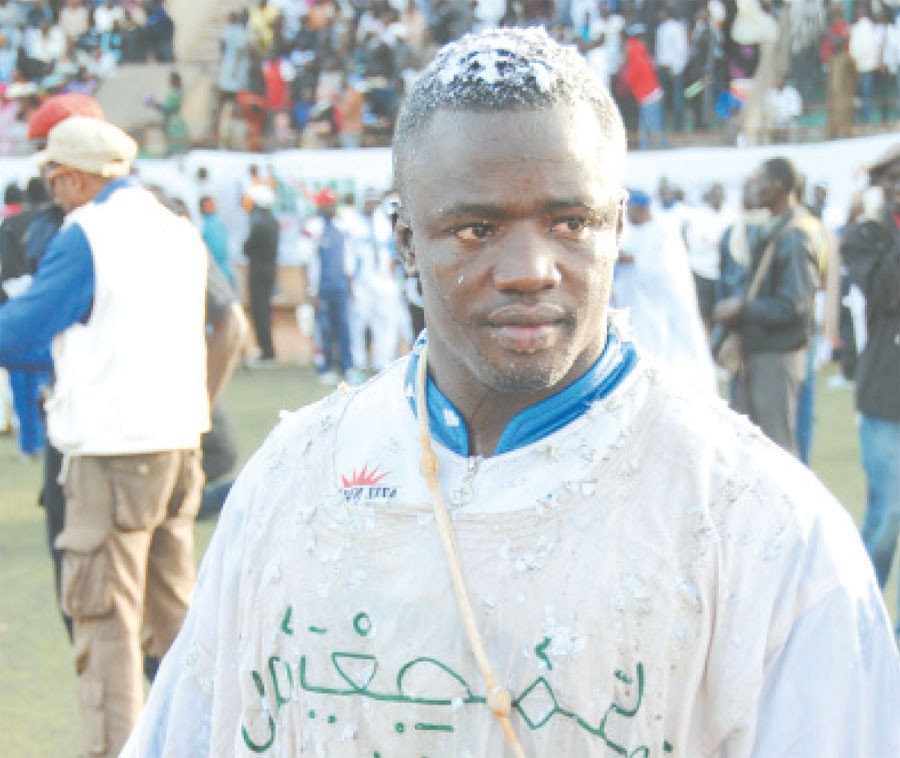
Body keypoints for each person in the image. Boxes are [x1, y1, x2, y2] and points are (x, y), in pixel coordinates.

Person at [122, 28, 900, 757]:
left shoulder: (761, 525)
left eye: (570, 222)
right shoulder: (294, 482)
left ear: (616, 228)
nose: (530, 267)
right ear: (405, 241)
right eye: (475, 229)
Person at [0, 116, 209, 757]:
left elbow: (18, 332)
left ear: (76, 177)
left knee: (107, 629)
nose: (53, 191)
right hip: (178, 442)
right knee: (175, 624)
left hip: (112, 450)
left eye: (56, 178)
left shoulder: (87, 232)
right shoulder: (178, 229)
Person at [713, 157, 819, 456]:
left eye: (759, 180)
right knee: (750, 451)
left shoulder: (794, 236)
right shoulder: (771, 229)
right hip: (759, 353)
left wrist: (742, 309)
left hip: (777, 356)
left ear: (777, 186)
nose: (753, 187)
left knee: (777, 451)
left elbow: (794, 307)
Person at [839, 142, 900, 642]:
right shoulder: (865, 236)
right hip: (885, 393)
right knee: (886, 516)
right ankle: (859, 622)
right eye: (894, 178)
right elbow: (885, 293)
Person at [614, 188, 716, 391]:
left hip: (665, 310)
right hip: (638, 309)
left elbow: (667, 270)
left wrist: (633, 260)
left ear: (641, 210)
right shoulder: (631, 233)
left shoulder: (664, 232)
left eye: (631, 211)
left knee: (675, 366)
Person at [304, 187, 354, 384]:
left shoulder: (342, 227)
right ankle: (325, 368)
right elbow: (306, 261)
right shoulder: (313, 227)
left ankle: (347, 367)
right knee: (324, 329)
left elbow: (347, 258)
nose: (333, 207)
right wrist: (310, 289)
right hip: (322, 288)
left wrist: (350, 285)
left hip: (340, 287)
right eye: (329, 204)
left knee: (344, 327)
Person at [242, 182, 280, 365]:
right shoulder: (272, 221)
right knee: (264, 311)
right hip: (269, 270)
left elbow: (247, 247)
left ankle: (266, 352)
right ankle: (267, 350)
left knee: (260, 312)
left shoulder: (261, 224)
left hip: (259, 271)